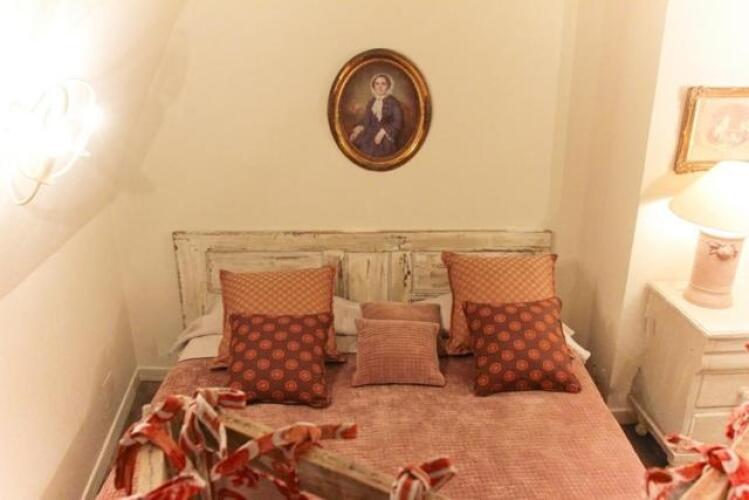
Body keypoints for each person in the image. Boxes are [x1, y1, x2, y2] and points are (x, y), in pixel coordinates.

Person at [349, 73, 403, 157]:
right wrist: (360, 127)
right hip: (369, 133)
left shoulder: (393, 102)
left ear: (388, 86)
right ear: (373, 87)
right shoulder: (371, 102)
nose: (380, 87)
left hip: (386, 136)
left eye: (383, 84)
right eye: (377, 84)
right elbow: (366, 120)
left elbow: (398, 123)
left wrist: (383, 132)